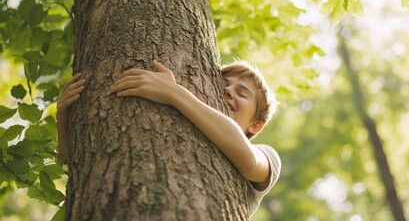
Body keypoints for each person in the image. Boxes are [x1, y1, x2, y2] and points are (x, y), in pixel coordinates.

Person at [56, 60, 281, 217]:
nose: (229, 91)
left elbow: (250, 162)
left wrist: (174, 93)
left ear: (255, 126)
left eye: (242, 94)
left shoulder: (268, 155)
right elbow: (74, 162)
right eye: (223, 85)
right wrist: (64, 119)